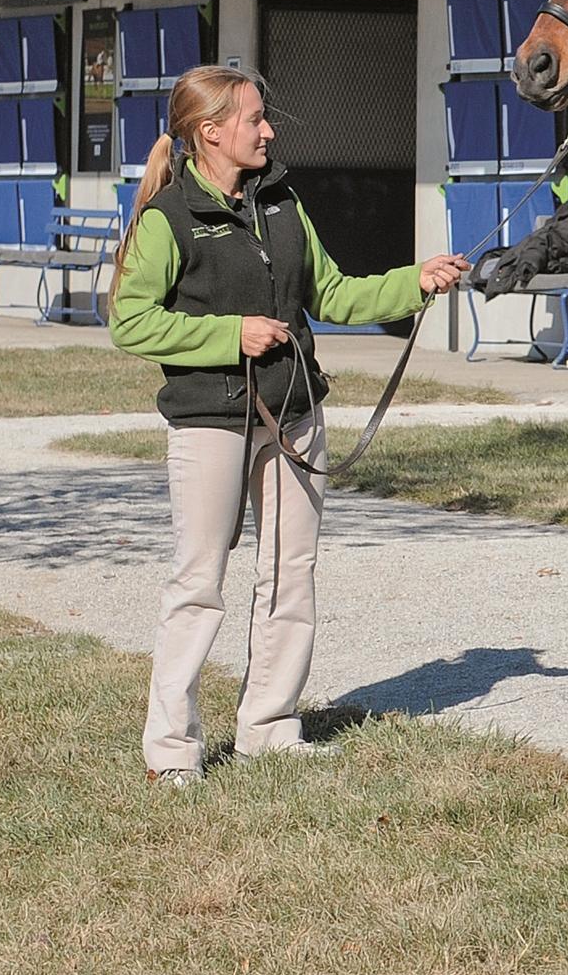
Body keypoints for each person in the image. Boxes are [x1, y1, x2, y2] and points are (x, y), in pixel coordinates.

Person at [109, 64, 464, 785]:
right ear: (212, 132)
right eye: (254, 119)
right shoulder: (168, 218)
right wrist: (228, 335)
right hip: (210, 422)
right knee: (198, 582)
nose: (268, 130)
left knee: (290, 574)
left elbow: (331, 293)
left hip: (296, 413)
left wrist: (415, 280)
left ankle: (270, 729)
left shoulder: (283, 201)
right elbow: (130, 322)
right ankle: (172, 753)